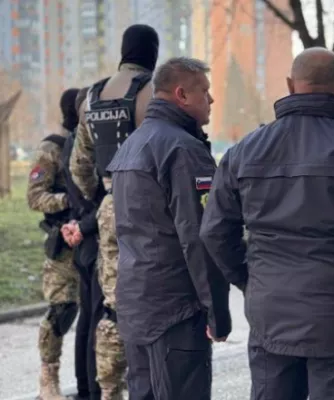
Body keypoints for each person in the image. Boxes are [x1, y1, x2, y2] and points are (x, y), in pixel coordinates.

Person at [200, 47, 334, 400]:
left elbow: (213, 231)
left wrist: (251, 280)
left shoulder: (244, 152)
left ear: (289, 85)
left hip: (271, 316)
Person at [106, 57, 231, 400]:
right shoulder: (183, 150)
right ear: (181, 95)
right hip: (176, 312)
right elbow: (200, 238)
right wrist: (217, 313)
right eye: (204, 91)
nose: (211, 99)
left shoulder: (131, 145)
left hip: (137, 307)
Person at [69, 24, 159, 400]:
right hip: (150, 209)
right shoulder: (155, 91)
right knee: (151, 301)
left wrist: (101, 199)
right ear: (152, 52)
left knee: (113, 305)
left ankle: (108, 391)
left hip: (109, 206)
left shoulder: (92, 97)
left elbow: (79, 166)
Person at [27, 88, 80, 400]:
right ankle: (48, 380)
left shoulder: (91, 144)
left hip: (93, 239)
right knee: (62, 310)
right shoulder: (53, 148)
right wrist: (68, 200)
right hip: (63, 245)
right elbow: (35, 196)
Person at [61, 87, 106, 400]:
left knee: (89, 318)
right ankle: (93, 387)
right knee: (97, 319)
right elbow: (100, 198)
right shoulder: (86, 146)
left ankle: (84, 386)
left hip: (81, 237)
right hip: (91, 236)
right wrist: (85, 225)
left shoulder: (70, 143)